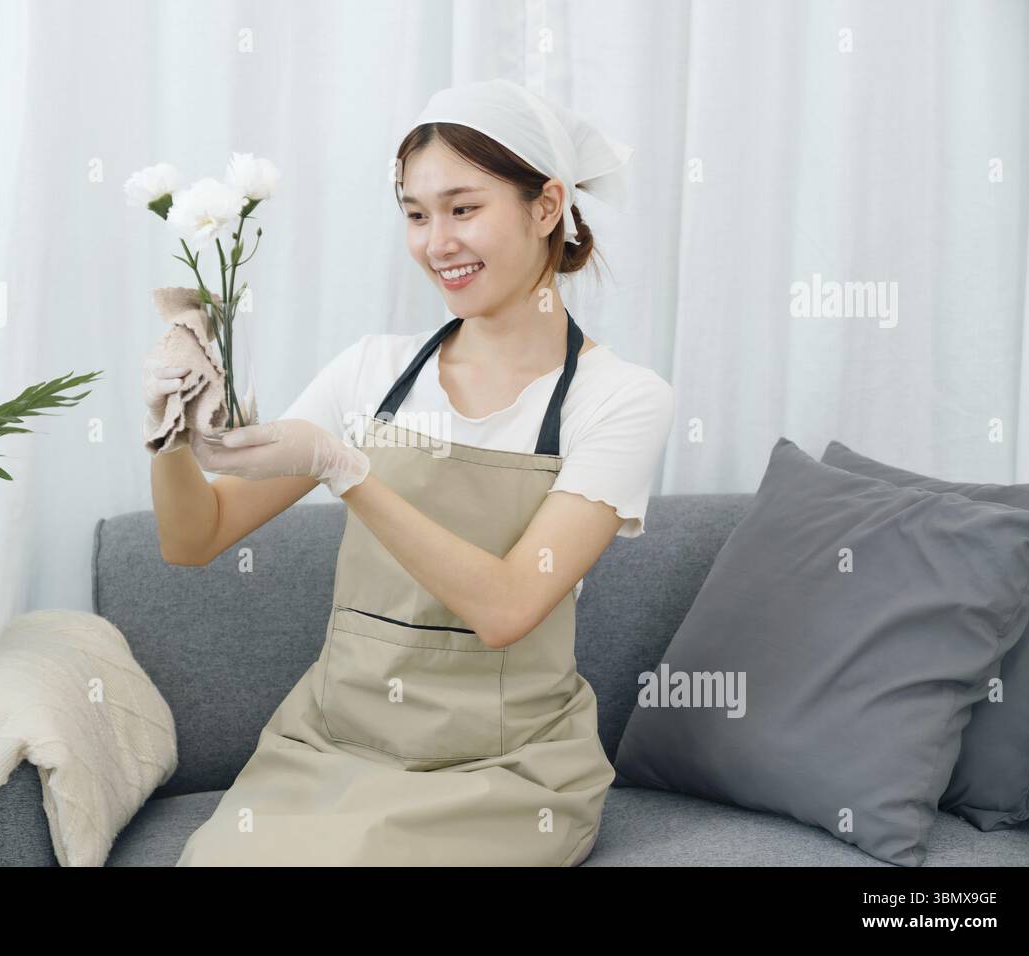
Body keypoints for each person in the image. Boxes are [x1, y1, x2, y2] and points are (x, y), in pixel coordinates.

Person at [146, 78, 674, 866]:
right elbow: (196, 538)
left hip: (502, 771)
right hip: (333, 748)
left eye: (464, 209)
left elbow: (505, 608)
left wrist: (346, 469)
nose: (437, 243)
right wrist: (168, 433)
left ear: (545, 207)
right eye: (416, 214)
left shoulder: (620, 400)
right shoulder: (371, 371)